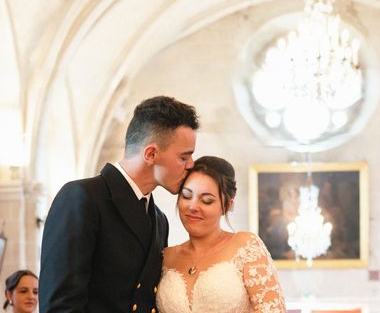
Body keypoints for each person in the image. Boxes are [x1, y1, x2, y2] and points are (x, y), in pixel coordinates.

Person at [39, 96, 199, 313]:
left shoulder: (160, 220)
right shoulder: (82, 197)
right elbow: (60, 306)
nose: (191, 165)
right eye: (183, 157)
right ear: (151, 154)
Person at [156, 156, 286, 312]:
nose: (193, 206)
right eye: (187, 196)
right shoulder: (166, 256)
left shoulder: (245, 246)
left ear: (227, 205)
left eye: (206, 201)